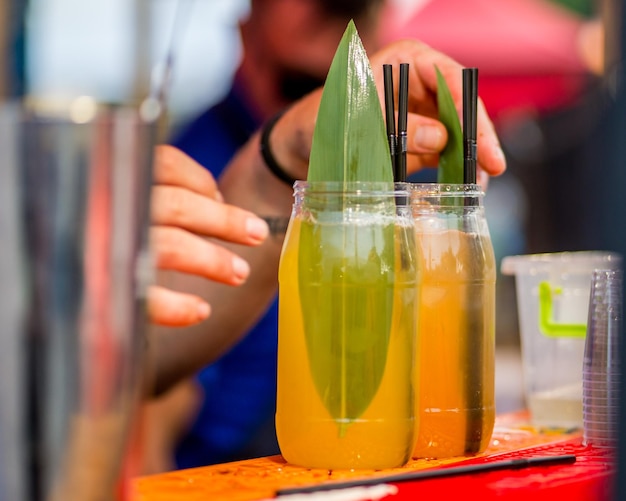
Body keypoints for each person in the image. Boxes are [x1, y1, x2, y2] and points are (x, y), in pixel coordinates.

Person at [142, 2, 507, 473]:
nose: (338, 10)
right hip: (241, 460)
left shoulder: (408, 163)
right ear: (246, 29)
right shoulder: (191, 159)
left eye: (360, 7)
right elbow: (150, 375)